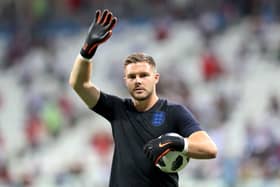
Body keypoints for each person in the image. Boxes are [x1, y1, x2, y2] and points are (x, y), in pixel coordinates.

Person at [69, 9, 218, 187]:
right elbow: (79, 85)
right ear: (125, 81)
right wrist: (87, 50)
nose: (138, 81)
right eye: (132, 77)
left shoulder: (173, 112)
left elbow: (210, 149)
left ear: (155, 78)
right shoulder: (117, 109)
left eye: (143, 75)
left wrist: (176, 142)